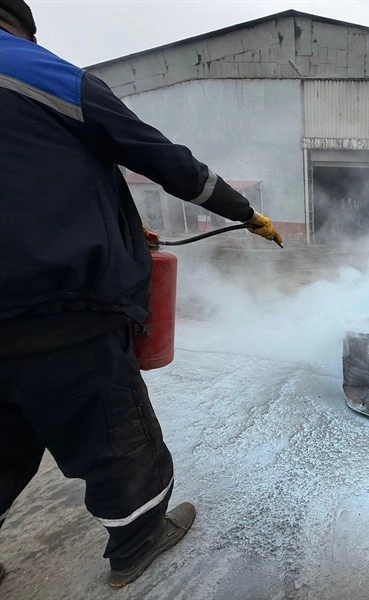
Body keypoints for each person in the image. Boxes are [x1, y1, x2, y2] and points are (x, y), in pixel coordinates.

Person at [0, 0, 283, 589]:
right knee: (114, 435)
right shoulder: (38, 72)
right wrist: (244, 211)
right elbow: (163, 159)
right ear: (17, 26)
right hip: (60, 310)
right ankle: (139, 539)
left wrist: (121, 227)